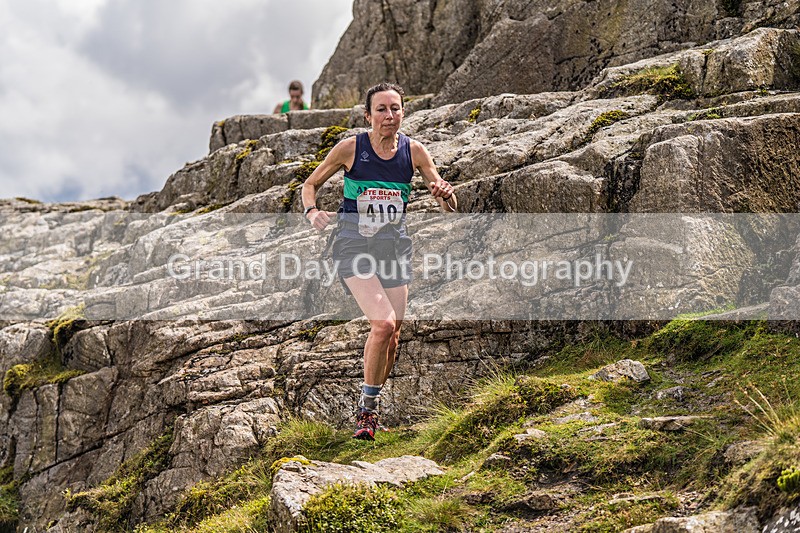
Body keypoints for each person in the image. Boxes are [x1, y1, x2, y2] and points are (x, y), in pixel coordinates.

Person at [301, 82, 457, 440]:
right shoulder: (350, 148)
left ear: (403, 112)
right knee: (383, 324)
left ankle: (373, 396)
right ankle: (367, 411)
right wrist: (311, 213)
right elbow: (309, 185)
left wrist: (444, 194)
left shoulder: (415, 152)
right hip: (353, 244)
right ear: (368, 115)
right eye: (382, 109)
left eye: (396, 108)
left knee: (394, 337)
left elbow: (449, 206)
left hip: (393, 248)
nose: (390, 115)